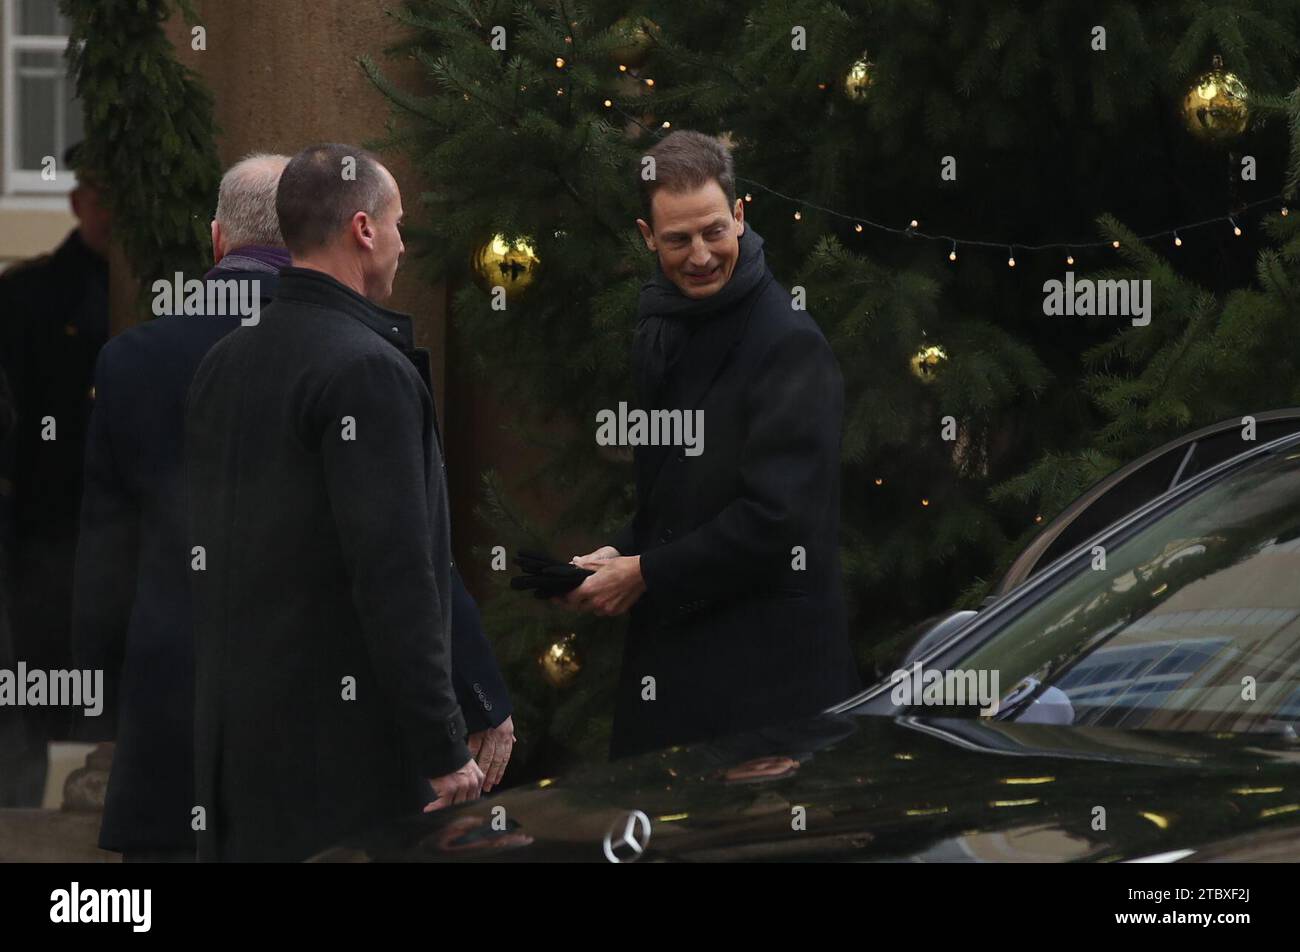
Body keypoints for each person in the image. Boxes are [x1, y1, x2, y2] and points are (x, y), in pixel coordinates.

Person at [185, 143, 494, 861]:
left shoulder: (225, 359)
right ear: (363, 229)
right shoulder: (366, 370)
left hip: (237, 750)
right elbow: (395, 574)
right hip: (344, 764)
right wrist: (444, 747)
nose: (402, 244)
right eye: (398, 225)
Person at [562, 131, 860, 758]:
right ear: (648, 237)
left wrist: (643, 572)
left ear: (741, 215)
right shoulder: (667, 325)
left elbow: (778, 520)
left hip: (764, 697)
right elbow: (681, 495)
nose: (699, 256)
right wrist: (623, 550)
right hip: (680, 679)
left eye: (714, 232)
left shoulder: (788, 342)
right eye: (677, 240)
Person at [0, 143, 111, 805]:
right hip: (46, 522)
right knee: (30, 686)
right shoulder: (28, 294)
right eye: (99, 198)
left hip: (117, 520)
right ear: (76, 203)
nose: (110, 213)